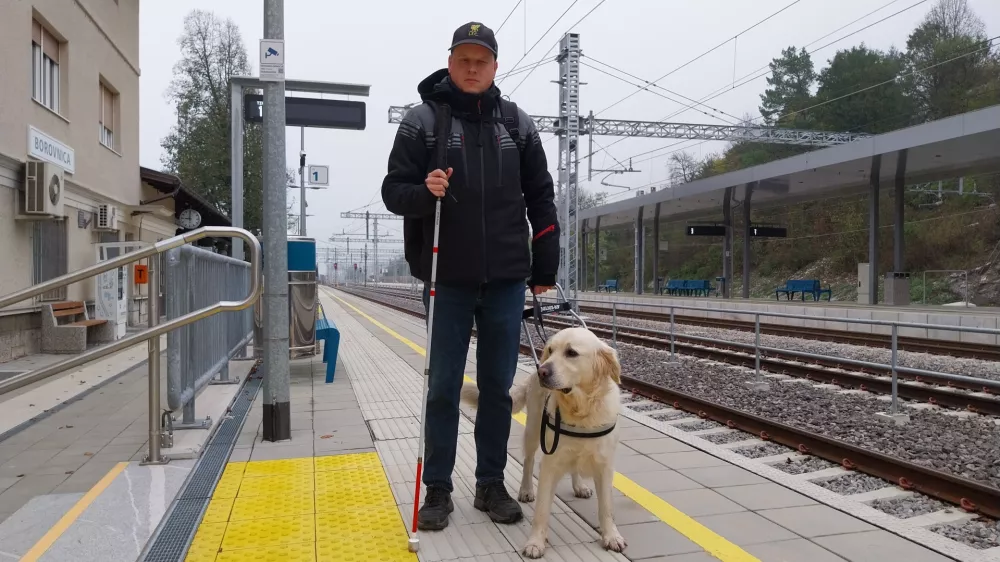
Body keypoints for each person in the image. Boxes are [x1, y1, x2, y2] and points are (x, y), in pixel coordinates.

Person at [381, 21, 559, 530]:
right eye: (464, 59)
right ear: (451, 62)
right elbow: (395, 190)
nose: (473, 67)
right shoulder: (423, 122)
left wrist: (544, 263)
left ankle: (489, 484)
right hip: (446, 275)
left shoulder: (518, 124)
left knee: (498, 389)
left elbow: (541, 196)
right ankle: (437, 488)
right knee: (441, 386)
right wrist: (425, 191)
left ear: (495, 66)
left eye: (482, 60)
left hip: (505, 277)